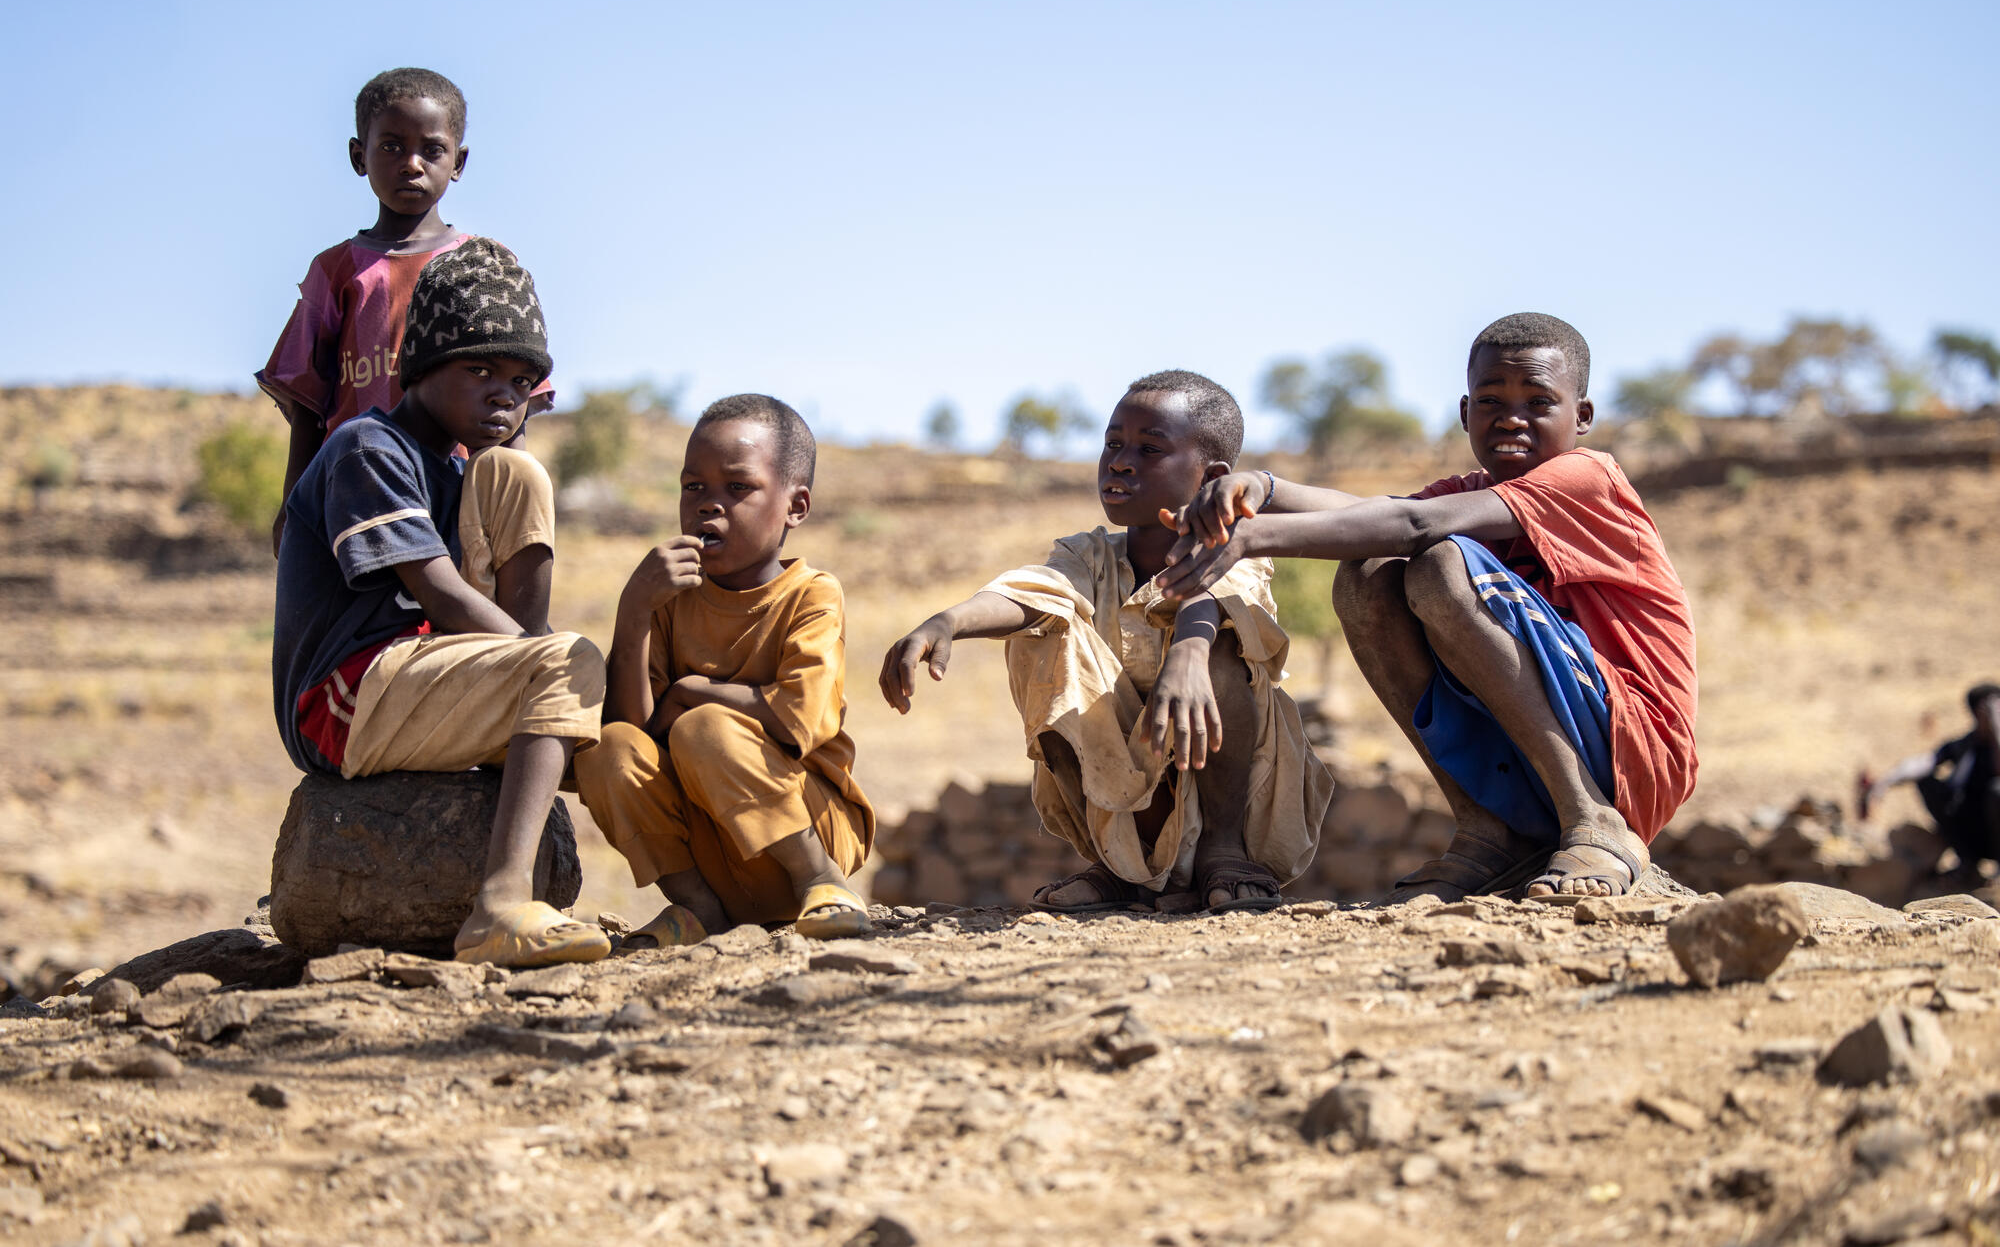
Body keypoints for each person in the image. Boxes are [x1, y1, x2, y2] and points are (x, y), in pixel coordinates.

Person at [1157, 314, 1697, 900]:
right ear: (1466, 414)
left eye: (1539, 401)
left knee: (1439, 564)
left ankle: (1594, 820)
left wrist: (1252, 537)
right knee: (1367, 574)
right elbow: (1370, 514)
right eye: (1491, 400)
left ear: (1582, 417)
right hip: (1558, 736)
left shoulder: (1586, 478)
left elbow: (1414, 524)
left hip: (1634, 746)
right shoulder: (1476, 494)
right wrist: (1265, 488)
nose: (1511, 417)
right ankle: (1490, 835)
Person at [880, 371, 1334, 913]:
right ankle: (1125, 866)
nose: (1120, 462)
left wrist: (1189, 653)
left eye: (1149, 449)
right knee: (1042, 633)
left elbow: (1215, 596)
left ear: (1210, 477)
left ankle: (1224, 852)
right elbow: (1038, 592)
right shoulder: (1087, 556)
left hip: (1239, 802)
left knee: (1219, 651)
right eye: (1113, 444)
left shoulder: (1238, 547)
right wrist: (947, 622)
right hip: (1132, 798)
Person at [273, 238, 609, 967]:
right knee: (572, 669)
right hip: (345, 696)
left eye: (522, 381)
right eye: (480, 369)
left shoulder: (469, 472)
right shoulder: (369, 447)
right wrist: (548, 668)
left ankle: (711, 895)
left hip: (427, 670)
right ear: (422, 367)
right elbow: (439, 589)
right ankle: (499, 904)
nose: (503, 394)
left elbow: (520, 629)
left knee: (519, 476)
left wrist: (562, 680)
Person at [572, 396, 877, 946]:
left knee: (701, 726)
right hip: (716, 855)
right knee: (604, 747)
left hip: (809, 827)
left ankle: (824, 884)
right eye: (694, 488)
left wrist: (691, 692)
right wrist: (634, 611)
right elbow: (632, 734)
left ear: (796, 507)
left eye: (737, 489)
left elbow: (797, 720)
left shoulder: (811, 594)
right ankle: (696, 908)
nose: (709, 507)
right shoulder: (668, 601)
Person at [256, 67, 550, 554]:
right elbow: (308, 407)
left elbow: (515, 397)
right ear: (358, 156)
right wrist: (294, 509)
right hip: (358, 498)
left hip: (463, 495)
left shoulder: (487, 266)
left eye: (432, 149)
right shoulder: (334, 271)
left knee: (466, 619)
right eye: (391, 146)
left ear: (458, 161)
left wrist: (509, 501)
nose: (411, 163)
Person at [1864, 683, 2000, 876]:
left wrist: (1996, 728)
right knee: (1926, 781)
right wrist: (1885, 782)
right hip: (1974, 829)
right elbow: (1925, 762)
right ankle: (1967, 862)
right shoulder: (1965, 745)